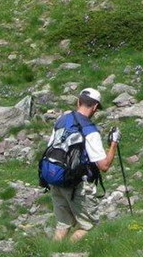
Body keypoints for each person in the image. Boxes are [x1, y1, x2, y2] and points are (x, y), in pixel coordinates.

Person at [48, 88, 120, 241]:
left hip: (55, 178)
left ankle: (52, 255)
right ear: (95, 107)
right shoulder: (89, 130)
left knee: (63, 224)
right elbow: (104, 166)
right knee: (88, 225)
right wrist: (113, 143)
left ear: (78, 102)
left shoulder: (61, 121)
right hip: (77, 184)